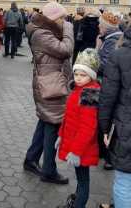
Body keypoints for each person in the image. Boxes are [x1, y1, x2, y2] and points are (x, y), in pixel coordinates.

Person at [24, 1, 74, 185]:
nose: (65, 21)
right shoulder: (41, 34)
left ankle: (31, 160)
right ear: (54, 18)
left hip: (51, 83)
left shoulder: (45, 31)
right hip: (50, 85)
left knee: (45, 121)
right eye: (63, 18)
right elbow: (66, 50)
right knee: (53, 124)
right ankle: (49, 171)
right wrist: (69, 29)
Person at [56, 49, 101, 208]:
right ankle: (74, 203)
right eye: (76, 74)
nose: (78, 78)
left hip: (82, 149)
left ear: (91, 76)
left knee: (83, 182)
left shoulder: (89, 94)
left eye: (83, 75)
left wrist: (76, 151)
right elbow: (68, 117)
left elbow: (88, 128)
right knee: (80, 179)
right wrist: (61, 135)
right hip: (75, 145)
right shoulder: (77, 90)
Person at [99, 26, 131, 208]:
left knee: (124, 182)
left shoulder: (119, 55)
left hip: (125, 126)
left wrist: (104, 128)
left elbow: (107, 97)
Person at [97, 12, 122, 170]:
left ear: (106, 27)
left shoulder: (111, 40)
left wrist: (93, 61)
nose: (98, 26)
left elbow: (106, 65)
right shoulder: (112, 38)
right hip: (111, 85)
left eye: (100, 24)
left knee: (109, 118)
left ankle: (109, 156)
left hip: (109, 85)